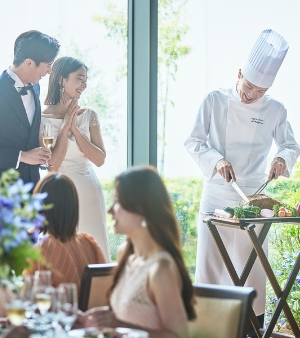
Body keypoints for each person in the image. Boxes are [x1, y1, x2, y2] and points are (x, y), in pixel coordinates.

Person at [184, 29, 300, 337]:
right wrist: (217, 160)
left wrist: (282, 160)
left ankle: (250, 329)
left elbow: (290, 146)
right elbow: (193, 141)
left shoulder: (275, 109)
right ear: (239, 74)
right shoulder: (214, 100)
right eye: (249, 87)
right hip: (217, 194)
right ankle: (206, 328)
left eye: (260, 91)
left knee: (253, 270)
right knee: (212, 266)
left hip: (253, 198)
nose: (251, 95)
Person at [77, 166, 196, 338]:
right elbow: (131, 313)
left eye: (117, 201)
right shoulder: (125, 254)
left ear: (141, 209)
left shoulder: (160, 269)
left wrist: (119, 325)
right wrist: (97, 319)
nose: (110, 210)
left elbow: (179, 336)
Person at [0, 30, 60, 193]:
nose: (50, 71)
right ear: (29, 63)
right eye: (48, 65)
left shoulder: (36, 87)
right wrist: (22, 156)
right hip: (0, 195)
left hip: (32, 191)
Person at [40, 56, 110, 261]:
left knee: (94, 247)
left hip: (88, 189)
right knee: (62, 254)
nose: (84, 84)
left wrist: (76, 130)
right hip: (58, 192)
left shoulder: (89, 114)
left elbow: (99, 159)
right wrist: (64, 128)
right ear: (61, 79)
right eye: (79, 78)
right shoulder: (41, 118)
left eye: (86, 79)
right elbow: (52, 166)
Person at [27, 172, 106, 290]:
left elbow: (29, 294)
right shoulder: (90, 242)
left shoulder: (43, 249)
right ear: (73, 205)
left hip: (61, 308)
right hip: (95, 308)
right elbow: (104, 285)